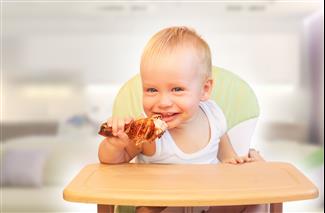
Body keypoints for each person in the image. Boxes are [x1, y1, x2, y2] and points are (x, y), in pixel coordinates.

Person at [98, 26, 266, 213]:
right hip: (164, 206)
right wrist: (114, 145)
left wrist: (241, 162)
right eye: (151, 90)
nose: (163, 102)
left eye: (177, 89)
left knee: (255, 201)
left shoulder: (214, 115)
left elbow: (228, 160)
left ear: (204, 90)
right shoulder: (146, 134)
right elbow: (113, 163)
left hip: (208, 202)